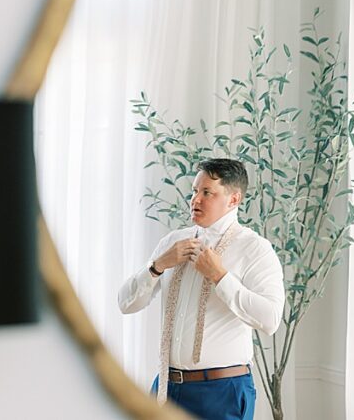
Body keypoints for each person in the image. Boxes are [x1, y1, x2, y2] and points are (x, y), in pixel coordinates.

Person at [118, 158, 284, 420]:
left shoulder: (255, 249)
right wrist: (158, 265)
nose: (195, 200)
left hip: (222, 393)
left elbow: (270, 319)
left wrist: (219, 275)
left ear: (233, 199)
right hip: (165, 390)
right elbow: (126, 303)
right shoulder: (173, 242)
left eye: (207, 192)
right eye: (195, 191)